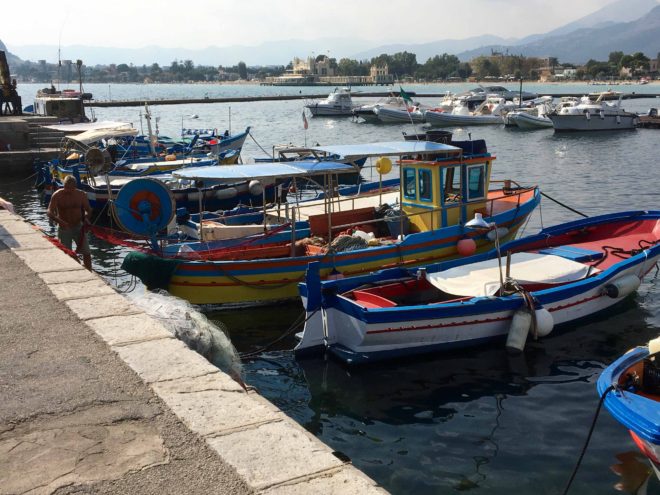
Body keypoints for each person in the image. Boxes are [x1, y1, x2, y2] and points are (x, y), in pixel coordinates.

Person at [47, 175, 93, 270]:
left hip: (79, 226)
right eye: (66, 187)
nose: (68, 190)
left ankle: (90, 272)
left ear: (75, 186)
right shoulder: (57, 195)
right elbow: (49, 212)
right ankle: (76, 265)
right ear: (64, 185)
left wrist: (86, 218)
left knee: (87, 252)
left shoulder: (81, 195)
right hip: (64, 228)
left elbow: (89, 210)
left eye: (71, 188)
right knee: (67, 253)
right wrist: (59, 221)